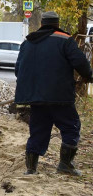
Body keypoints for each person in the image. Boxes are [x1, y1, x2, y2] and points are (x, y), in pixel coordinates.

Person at [15, 11, 93, 176]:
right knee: (71, 127)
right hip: (60, 97)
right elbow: (81, 63)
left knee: (38, 131)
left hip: (36, 98)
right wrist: (88, 76)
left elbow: (18, 70)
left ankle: (31, 169)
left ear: (42, 24)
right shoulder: (65, 40)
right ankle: (65, 164)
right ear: (57, 24)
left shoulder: (28, 42)